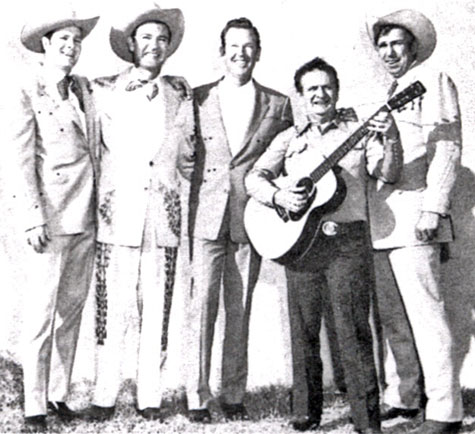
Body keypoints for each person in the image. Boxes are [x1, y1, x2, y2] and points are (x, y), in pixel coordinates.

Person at [246, 56, 403, 433]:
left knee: (352, 328)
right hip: (301, 244)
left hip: (347, 242)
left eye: (326, 86)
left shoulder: (359, 130)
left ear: (337, 90)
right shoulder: (289, 138)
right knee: (303, 329)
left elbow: (389, 172)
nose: (320, 94)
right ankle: (305, 411)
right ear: (301, 96)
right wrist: (279, 197)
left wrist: (391, 135)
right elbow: (254, 178)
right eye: (311, 88)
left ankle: (366, 421)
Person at [177, 17, 293, 423]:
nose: (240, 53)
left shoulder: (279, 104)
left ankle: (233, 394)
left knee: (239, 308)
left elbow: (288, 160)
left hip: (252, 217)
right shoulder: (196, 97)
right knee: (202, 307)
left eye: (248, 47)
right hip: (205, 216)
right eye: (233, 46)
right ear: (221, 51)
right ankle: (195, 395)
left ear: (257, 53)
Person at [81, 3, 191, 423]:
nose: (154, 45)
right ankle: (104, 396)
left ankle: (150, 398)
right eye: (146, 38)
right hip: (116, 216)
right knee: (112, 308)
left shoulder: (179, 93)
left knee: (156, 309)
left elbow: (187, 157)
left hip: (162, 219)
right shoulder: (101, 89)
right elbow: (92, 150)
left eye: (162, 39)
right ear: (130, 44)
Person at [366, 9, 463, 434]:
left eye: (397, 44)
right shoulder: (389, 92)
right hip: (384, 224)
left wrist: (433, 209)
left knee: (427, 317)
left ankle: (445, 413)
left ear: (413, 48)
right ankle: (403, 399)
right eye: (382, 45)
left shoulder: (433, 80)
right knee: (393, 318)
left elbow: (447, 148)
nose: (389, 52)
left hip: (417, 219)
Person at [7, 8, 99, 433]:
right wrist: (31, 217)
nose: (70, 47)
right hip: (50, 216)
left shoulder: (83, 88)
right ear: (45, 45)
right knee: (41, 313)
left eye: (77, 41)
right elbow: (20, 158)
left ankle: (57, 396)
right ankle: (32, 407)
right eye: (63, 40)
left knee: (72, 308)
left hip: (87, 213)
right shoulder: (26, 89)